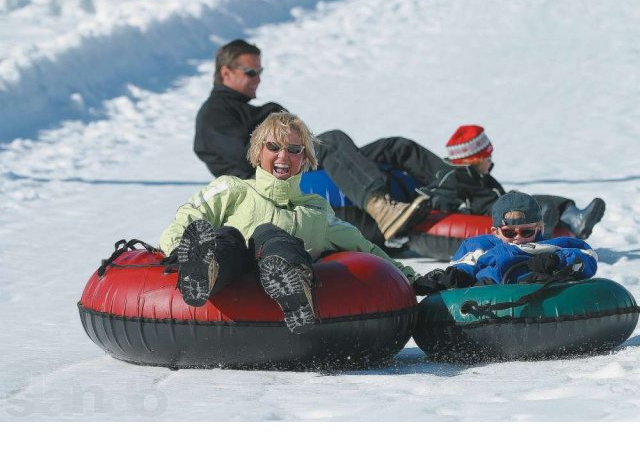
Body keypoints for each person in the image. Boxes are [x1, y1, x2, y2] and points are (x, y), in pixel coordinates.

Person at [162, 111, 433, 333]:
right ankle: (204, 270)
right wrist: (175, 249)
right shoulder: (233, 189)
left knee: (273, 236)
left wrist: (410, 277)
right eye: (273, 147)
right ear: (258, 153)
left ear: (304, 159)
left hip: (279, 286)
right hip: (232, 272)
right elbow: (188, 217)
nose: (283, 156)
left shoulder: (315, 209)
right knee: (230, 236)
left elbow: (364, 247)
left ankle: (293, 287)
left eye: (294, 149)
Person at [194, 39, 442, 241]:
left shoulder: (243, 109)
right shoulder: (214, 114)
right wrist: (271, 114)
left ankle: (455, 184)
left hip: (293, 166)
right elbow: (251, 157)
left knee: (395, 148)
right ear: (226, 73)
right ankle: (380, 207)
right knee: (333, 141)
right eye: (251, 72)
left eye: (260, 72)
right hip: (272, 186)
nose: (258, 78)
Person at [419, 124, 606, 240]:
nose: (491, 162)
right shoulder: (452, 177)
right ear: (473, 159)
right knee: (530, 204)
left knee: (541, 199)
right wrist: (459, 208)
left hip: (503, 205)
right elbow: (441, 196)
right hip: (492, 213)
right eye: (487, 158)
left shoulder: (484, 176)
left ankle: (574, 218)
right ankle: (542, 225)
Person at [415, 192, 598, 295]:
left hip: (535, 289)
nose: (518, 237)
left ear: (540, 228)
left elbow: (587, 257)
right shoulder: (480, 246)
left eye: (526, 231)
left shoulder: (553, 246)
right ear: (495, 231)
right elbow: (463, 265)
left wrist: (556, 261)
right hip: (489, 293)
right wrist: (457, 277)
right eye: (509, 233)